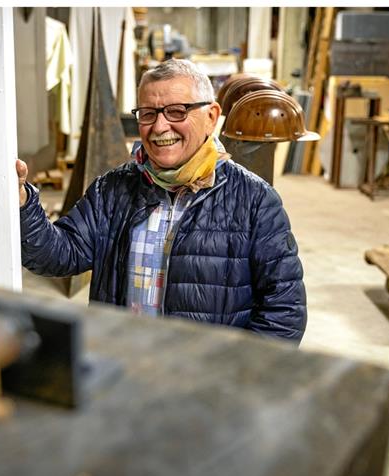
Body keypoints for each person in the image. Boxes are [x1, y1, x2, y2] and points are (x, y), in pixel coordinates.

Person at [15, 59, 306, 344]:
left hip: (203, 384)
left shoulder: (255, 200)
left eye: (177, 112)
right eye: (148, 113)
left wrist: (230, 378)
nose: (160, 127)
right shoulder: (113, 189)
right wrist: (24, 204)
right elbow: (58, 256)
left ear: (211, 116)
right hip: (121, 371)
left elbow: (284, 311)